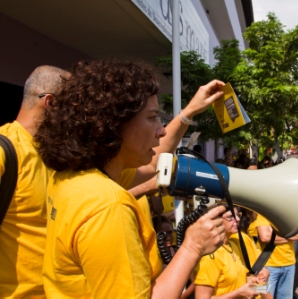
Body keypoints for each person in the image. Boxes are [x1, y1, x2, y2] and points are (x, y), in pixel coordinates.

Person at [35, 60, 227, 298]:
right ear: (114, 123)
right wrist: (192, 246)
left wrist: (188, 113)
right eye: (152, 117)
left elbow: (156, 162)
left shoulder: (75, 177)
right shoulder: (108, 206)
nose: (161, 130)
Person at [0, 65, 70, 298]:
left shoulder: (55, 155)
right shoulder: (5, 150)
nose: (77, 115)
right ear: (49, 103)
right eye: (71, 106)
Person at [194, 209, 261, 298]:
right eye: (230, 217)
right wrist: (239, 293)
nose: (237, 219)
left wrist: (251, 280)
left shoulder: (233, 245)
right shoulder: (210, 255)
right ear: (215, 222)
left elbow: (234, 279)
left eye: (238, 215)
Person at [251, 213, 298, 298]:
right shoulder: (263, 215)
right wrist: (291, 235)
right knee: (263, 296)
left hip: (289, 264)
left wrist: (274, 236)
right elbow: (265, 237)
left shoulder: (292, 216)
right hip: (267, 265)